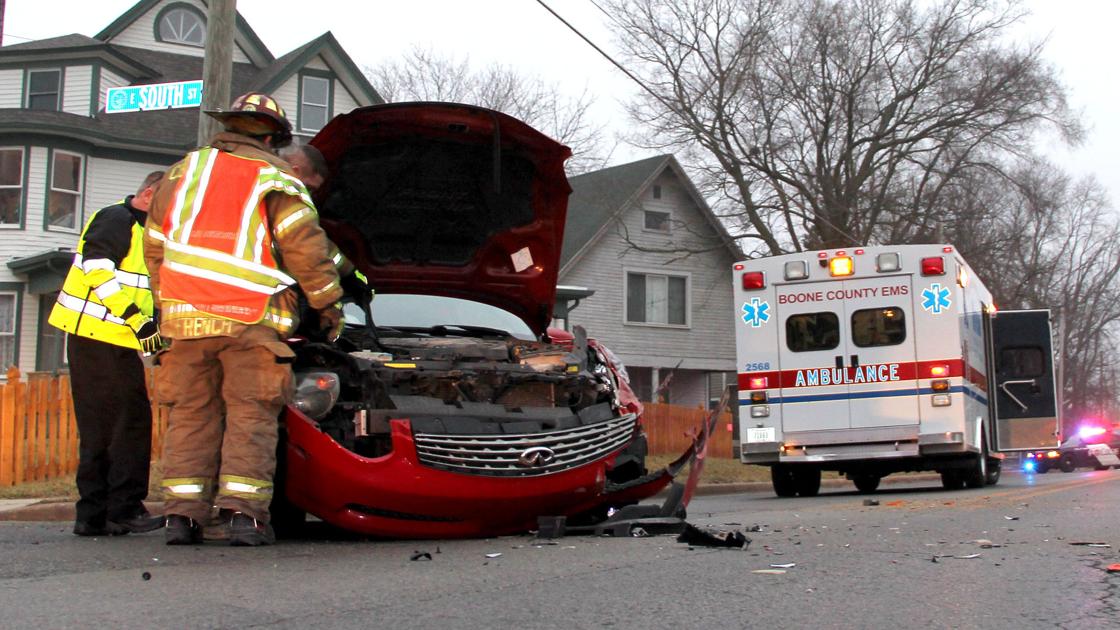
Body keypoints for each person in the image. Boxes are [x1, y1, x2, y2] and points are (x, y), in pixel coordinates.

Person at [144, 92, 343, 546]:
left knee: (191, 416)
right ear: (273, 137)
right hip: (251, 321)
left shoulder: (180, 175)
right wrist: (328, 306)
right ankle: (243, 517)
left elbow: (154, 248)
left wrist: (169, 301)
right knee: (249, 417)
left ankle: (182, 516)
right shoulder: (274, 177)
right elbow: (305, 251)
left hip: (185, 323)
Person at [48, 171, 167, 537]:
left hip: (100, 337)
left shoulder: (138, 227)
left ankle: (95, 513)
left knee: (100, 427)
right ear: (148, 195)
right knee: (129, 423)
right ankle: (123, 509)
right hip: (102, 336)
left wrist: (153, 333)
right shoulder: (118, 219)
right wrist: (138, 322)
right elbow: (97, 269)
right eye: (167, 205)